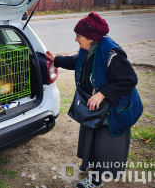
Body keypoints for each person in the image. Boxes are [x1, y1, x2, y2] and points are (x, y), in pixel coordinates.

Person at [45, 12, 138, 188]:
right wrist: (56, 59)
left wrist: (102, 93)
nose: (76, 40)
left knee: (103, 147)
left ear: (91, 38)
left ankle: (96, 180)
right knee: (93, 141)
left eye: (78, 36)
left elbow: (129, 80)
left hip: (112, 110)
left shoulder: (112, 53)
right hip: (96, 108)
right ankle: (92, 169)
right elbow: (77, 61)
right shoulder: (88, 49)